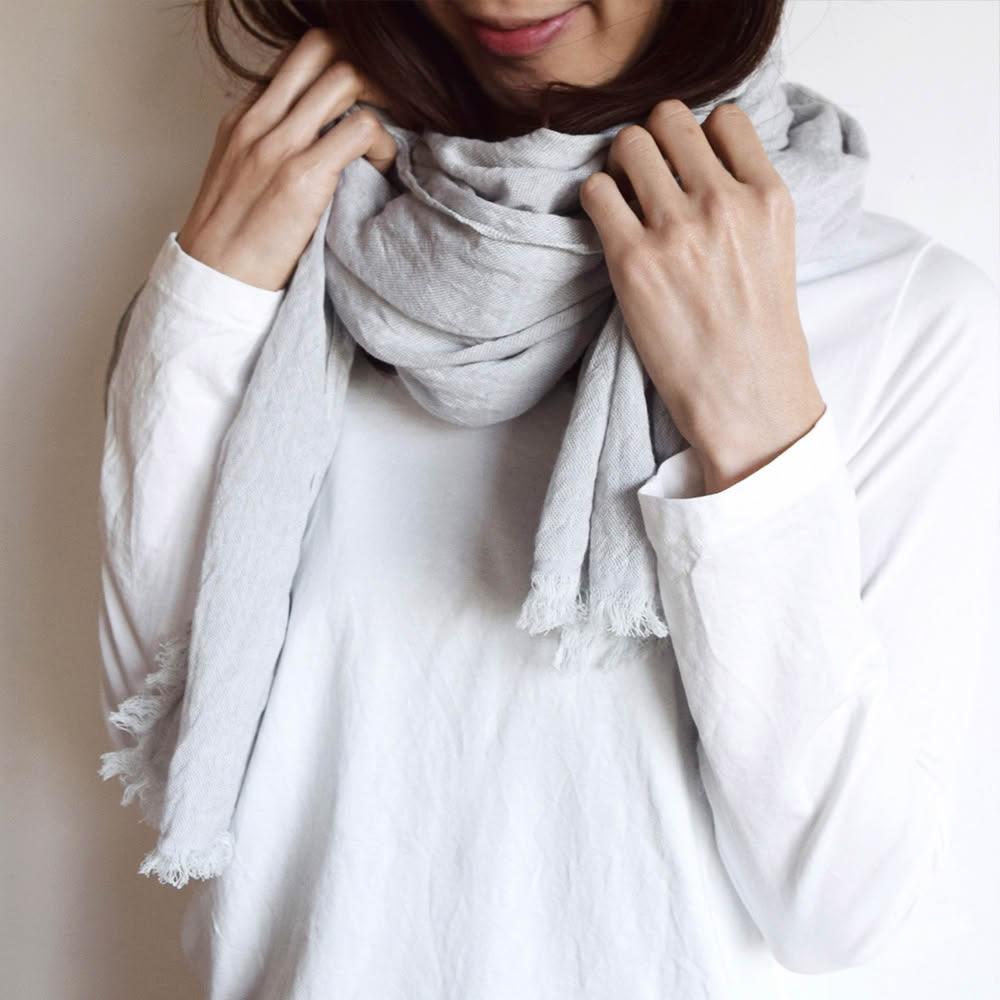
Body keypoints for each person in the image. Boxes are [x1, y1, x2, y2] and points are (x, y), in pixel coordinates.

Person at [97, 1, 1000, 997]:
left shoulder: (907, 315)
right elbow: (166, 728)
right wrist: (208, 301)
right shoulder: (299, 257)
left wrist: (751, 417)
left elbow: (837, 908)